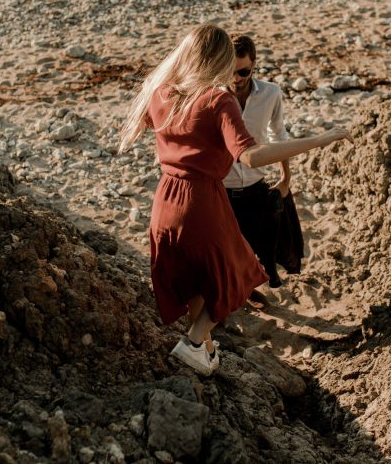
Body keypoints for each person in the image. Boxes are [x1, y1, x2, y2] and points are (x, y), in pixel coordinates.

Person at [118, 24, 352, 377]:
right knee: (239, 272)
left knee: (195, 279)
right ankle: (195, 342)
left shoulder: (161, 91)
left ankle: (206, 352)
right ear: (220, 59)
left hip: (165, 200)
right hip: (200, 201)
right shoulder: (218, 100)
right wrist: (320, 140)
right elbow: (251, 157)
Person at [225, 34, 303, 289]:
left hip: (256, 182)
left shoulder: (271, 93)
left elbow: (279, 136)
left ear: (254, 65)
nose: (236, 78)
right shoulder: (213, 97)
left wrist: (285, 179)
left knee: (268, 245)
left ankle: (259, 280)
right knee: (226, 252)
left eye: (243, 71)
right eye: (230, 71)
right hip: (220, 186)